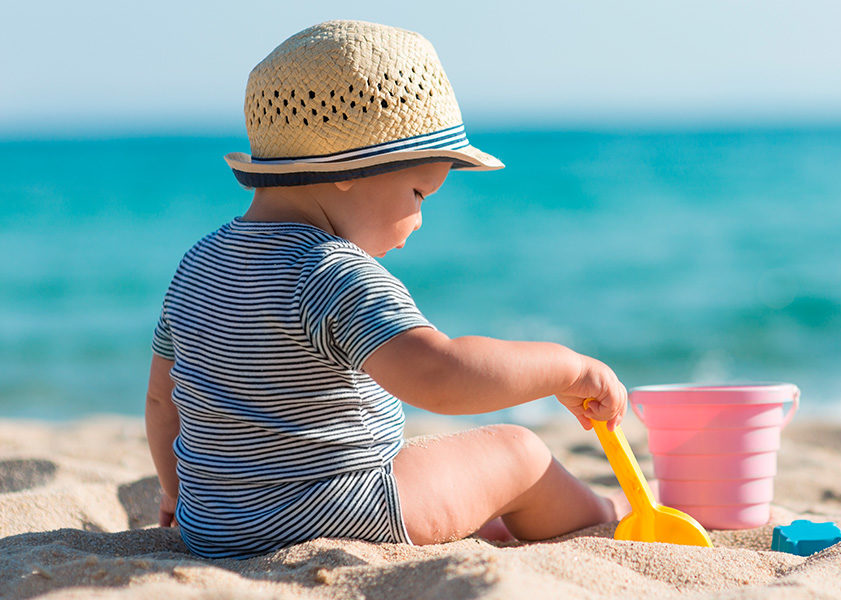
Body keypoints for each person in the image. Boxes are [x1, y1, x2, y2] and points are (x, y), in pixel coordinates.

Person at [144, 19, 628, 559]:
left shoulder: (198, 263)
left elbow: (164, 398)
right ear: (348, 169)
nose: (420, 219)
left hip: (214, 526)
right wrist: (566, 368)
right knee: (518, 452)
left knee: (438, 464)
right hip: (336, 513)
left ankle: (477, 517)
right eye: (419, 192)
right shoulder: (330, 271)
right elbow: (440, 375)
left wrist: (174, 492)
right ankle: (606, 513)